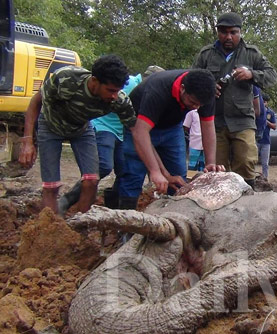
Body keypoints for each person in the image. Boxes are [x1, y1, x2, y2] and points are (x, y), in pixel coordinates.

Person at [18, 55, 137, 215]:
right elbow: (36, 102)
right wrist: (27, 141)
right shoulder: (66, 79)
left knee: (91, 180)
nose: (114, 96)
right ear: (94, 81)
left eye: (118, 91)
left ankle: (81, 224)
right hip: (50, 125)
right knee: (51, 186)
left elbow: (136, 130)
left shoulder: (119, 101)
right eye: (110, 90)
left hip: (81, 129)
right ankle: (48, 229)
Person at [57, 65, 165, 215]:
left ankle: (113, 207)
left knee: (124, 170)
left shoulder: (148, 91)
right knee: (104, 166)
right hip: (104, 125)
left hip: (123, 130)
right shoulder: (131, 85)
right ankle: (68, 200)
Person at [192, 12, 277, 187]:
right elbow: (191, 79)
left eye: (233, 32)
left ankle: (247, 202)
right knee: (216, 171)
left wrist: (251, 74)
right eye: (223, 32)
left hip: (243, 120)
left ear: (240, 32)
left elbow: (272, 76)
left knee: (246, 162)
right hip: (214, 120)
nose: (228, 36)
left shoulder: (251, 54)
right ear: (218, 32)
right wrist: (207, 87)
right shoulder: (206, 54)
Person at [118, 69, 224, 209]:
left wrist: (210, 163)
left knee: (178, 175)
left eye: (200, 105)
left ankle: (172, 213)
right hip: (139, 125)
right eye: (192, 102)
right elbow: (140, 133)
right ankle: (125, 216)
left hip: (172, 128)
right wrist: (155, 171)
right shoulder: (157, 91)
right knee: (133, 172)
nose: (195, 107)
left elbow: (208, 126)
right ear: (182, 88)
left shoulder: (205, 94)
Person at [257, 93, 276, 180]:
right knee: (251, 161)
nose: (264, 103)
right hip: (255, 140)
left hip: (266, 141)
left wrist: (266, 120)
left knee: (265, 163)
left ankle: (265, 179)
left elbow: (274, 126)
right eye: (263, 102)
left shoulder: (270, 113)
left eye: (265, 102)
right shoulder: (256, 110)